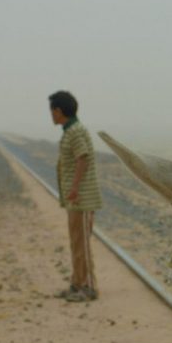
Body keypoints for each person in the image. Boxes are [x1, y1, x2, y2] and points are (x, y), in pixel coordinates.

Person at [49, 90, 103, 303]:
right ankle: (77, 283)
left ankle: (89, 287)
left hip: (82, 200)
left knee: (82, 245)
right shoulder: (70, 131)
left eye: (52, 111)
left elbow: (83, 158)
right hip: (76, 200)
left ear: (59, 111)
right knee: (76, 243)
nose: (51, 115)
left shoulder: (76, 131)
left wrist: (74, 188)